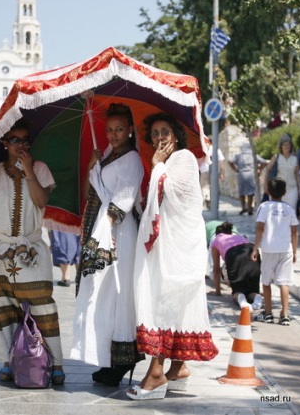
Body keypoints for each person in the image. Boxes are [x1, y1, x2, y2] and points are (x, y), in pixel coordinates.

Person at [127, 112, 218, 401]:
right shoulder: (166, 162)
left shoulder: (185, 159)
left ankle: (156, 373)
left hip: (179, 246)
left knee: (165, 300)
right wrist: (157, 168)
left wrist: (157, 167)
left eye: (165, 131)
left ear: (176, 135)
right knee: (169, 301)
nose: (160, 138)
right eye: (154, 134)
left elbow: (177, 193)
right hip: (168, 243)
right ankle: (177, 369)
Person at [0, 118, 65, 384]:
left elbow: (41, 201)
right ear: (4, 143)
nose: (20, 145)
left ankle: (56, 363)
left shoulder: (41, 169)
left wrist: (29, 170)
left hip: (31, 249)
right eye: (15, 140)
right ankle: (7, 362)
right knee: (1, 308)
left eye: (25, 140)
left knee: (42, 306)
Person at [70, 103, 144, 386]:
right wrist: (92, 165)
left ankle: (124, 359)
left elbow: (125, 195)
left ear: (129, 131)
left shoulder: (132, 159)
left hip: (119, 232)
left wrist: (110, 227)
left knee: (117, 290)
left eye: (119, 129)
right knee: (100, 291)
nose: (113, 134)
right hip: (101, 228)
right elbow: (92, 193)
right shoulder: (108, 156)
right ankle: (107, 356)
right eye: (109, 129)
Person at [252, 177, 298, 326]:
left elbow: (260, 228)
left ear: (268, 191)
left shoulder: (264, 207)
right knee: (284, 283)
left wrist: (255, 248)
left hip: (268, 249)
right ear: (284, 192)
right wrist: (295, 252)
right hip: (286, 250)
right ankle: (285, 315)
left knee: (266, 282)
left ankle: (268, 313)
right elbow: (295, 232)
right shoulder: (289, 209)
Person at [210, 221, 262, 310]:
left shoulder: (216, 240)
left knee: (238, 291)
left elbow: (216, 269)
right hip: (252, 251)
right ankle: (257, 297)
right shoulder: (238, 236)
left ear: (217, 233)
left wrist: (218, 292)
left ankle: (241, 299)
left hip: (234, 255)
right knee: (251, 290)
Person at [228, 142, 267, 215]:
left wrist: (234, 169)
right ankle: (249, 208)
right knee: (250, 193)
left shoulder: (238, 156)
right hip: (251, 174)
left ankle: (243, 208)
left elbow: (229, 161)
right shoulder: (253, 156)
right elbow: (264, 162)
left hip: (241, 174)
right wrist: (259, 169)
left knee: (241, 192)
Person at [264, 134, 300, 210]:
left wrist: (299, 189)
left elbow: (297, 175)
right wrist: (266, 185)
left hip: (292, 189)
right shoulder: (276, 157)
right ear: (281, 146)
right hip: (279, 189)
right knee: (278, 211)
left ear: (291, 146)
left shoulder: (295, 158)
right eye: (284, 145)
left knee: (291, 210)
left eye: (288, 145)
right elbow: (267, 170)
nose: (286, 147)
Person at [199, 139, 225, 210]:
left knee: (205, 186)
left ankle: (207, 199)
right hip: (215, 171)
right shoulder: (217, 150)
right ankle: (212, 203)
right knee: (214, 187)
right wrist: (221, 173)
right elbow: (221, 162)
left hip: (204, 170)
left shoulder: (203, 149)